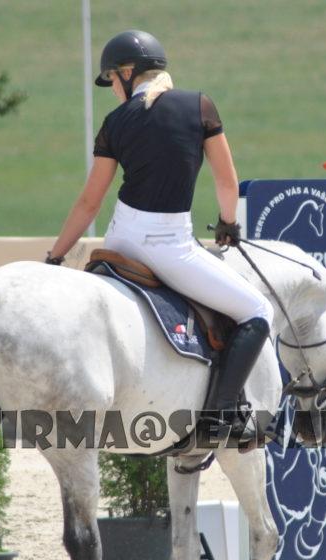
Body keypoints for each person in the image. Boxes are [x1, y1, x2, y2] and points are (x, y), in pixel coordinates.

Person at [46, 29, 274, 444]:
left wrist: (55, 257)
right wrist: (227, 225)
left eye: (111, 80)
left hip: (119, 241)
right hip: (169, 249)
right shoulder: (200, 106)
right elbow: (227, 182)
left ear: (127, 73)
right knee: (258, 310)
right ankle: (220, 417)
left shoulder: (115, 122)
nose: (113, 90)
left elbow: (89, 203)